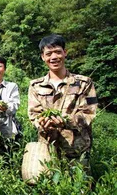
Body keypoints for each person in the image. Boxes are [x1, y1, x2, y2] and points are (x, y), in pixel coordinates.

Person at [28, 34, 98, 167]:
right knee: (49, 185)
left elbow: (90, 113)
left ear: (65, 53)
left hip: (77, 148)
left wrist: (65, 120)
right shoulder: (35, 86)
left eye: (58, 52)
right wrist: (43, 122)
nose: (54, 57)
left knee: (79, 186)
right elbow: (34, 114)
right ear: (43, 57)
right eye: (49, 54)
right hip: (47, 148)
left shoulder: (85, 83)